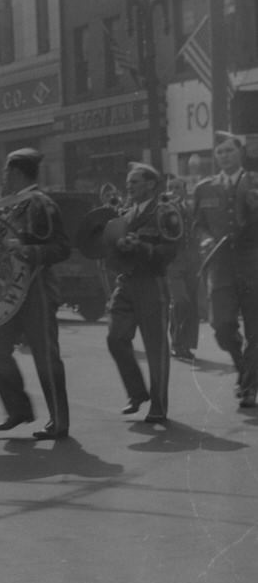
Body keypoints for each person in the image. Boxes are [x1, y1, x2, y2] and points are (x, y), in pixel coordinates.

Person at [0, 148, 72, 441]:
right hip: (12, 293)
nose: (4, 177)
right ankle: (18, 409)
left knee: (46, 357)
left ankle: (59, 421)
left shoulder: (40, 204)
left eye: (7, 172)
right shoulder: (14, 206)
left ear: (18, 172)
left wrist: (26, 250)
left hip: (38, 291)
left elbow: (61, 248)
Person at [104, 163, 180, 424]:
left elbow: (171, 250)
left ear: (151, 184)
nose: (129, 186)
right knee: (115, 337)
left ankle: (158, 406)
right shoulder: (124, 214)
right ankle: (137, 393)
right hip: (126, 284)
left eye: (135, 181)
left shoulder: (165, 212)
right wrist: (118, 248)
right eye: (128, 182)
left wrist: (142, 248)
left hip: (151, 283)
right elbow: (111, 252)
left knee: (155, 346)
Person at [192, 130, 258, 409]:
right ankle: (244, 369)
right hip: (220, 267)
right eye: (219, 152)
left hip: (253, 264)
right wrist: (205, 239)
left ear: (240, 152)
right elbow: (197, 225)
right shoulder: (204, 188)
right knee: (221, 326)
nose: (224, 156)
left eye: (229, 150)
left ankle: (248, 388)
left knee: (256, 331)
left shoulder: (254, 182)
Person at [164, 175, 200, 361]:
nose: (174, 191)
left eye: (177, 187)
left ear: (185, 190)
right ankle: (177, 343)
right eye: (170, 187)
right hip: (173, 263)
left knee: (191, 304)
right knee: (180, 301)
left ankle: (185, 345)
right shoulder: (164, 208)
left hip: (192, 261)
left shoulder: (191, 206)